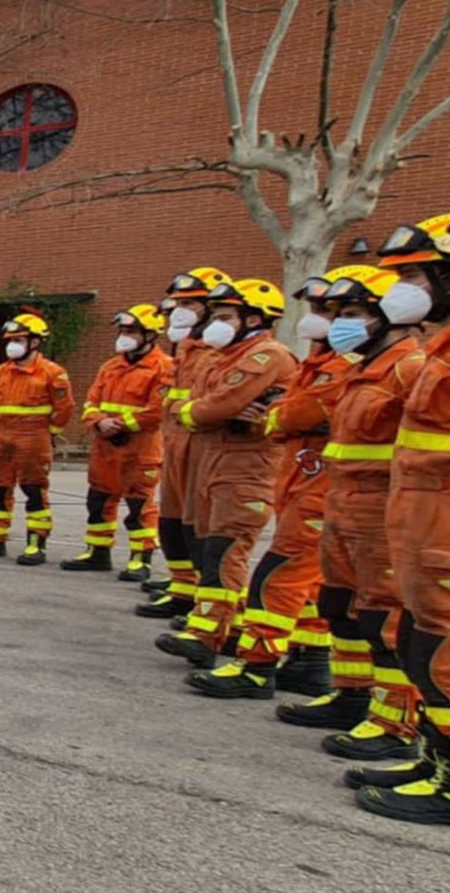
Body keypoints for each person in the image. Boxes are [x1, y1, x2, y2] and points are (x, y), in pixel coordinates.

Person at [353, 211, 450, 830]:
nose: (399, 289)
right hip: (430, 529)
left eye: (413, 274)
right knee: (422, 646)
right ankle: (442, 761)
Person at [187, 269, 364, 699]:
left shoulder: (343, 366)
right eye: (321, 309)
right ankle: (311, 662)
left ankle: (256, 667)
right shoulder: (316, 364)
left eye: (335, 311)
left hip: (328, 487)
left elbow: (292, 414)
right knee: (315, 587)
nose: (322, 318)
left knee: (279, 577)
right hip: (305, 481)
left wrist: (274, 416)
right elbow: (289, 411)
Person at [277, 269, 424, 773]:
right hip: (343, 501)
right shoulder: (363, 368)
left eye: (353, 315)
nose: (341, 325)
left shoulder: (410, 368)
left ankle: (394, 723)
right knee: (339, 604)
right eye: (337, 315)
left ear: (388, 316)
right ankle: (352, 694)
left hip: (382, 508)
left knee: (385, 616)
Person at [154, 279, 297, 669]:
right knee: (203, 546)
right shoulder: (222, 358)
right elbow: (199, 408)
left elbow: (210, 408)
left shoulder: (268, 356)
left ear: (253, 319)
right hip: (211, 463)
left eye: (224, 316)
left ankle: (206, 635)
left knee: (224, 552)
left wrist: (201, 413)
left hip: (245, 469)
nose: (215, 324)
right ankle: (226, 628)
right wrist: (203, 413)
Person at [137, 267, 230, 619]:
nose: (180, 310)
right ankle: (182, 588)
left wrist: (179, 409)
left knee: (198, 527)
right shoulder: (187, 348)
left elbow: (213, 402)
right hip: (175, 442)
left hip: (202, 446)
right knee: (172, 523)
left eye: (189, 303)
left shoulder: (217, 351)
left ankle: (203, 600)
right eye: (178, 303)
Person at [63, 306, 173, 576]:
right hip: (105, 446)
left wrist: (123, 425)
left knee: (139, 504)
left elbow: (159, 409)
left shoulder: (164, 367)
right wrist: (99, 421)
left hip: (141, 448)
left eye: (131, 331)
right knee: (99, 500)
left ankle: (141, 557)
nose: (124, 336)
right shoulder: (111, 366)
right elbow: (91, 401)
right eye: (123, 331)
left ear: (150, 334)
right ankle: (98, 552)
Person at [0, 313, 73, 565]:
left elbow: (65, 407)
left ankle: (36, 542)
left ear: (35, 342)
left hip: (34, 437)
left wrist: (51, 433)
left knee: (34, 490)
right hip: (2, 435)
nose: (12, 345)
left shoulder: (52, 372)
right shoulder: (0, 372)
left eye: (19, 339)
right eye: (11, 339)